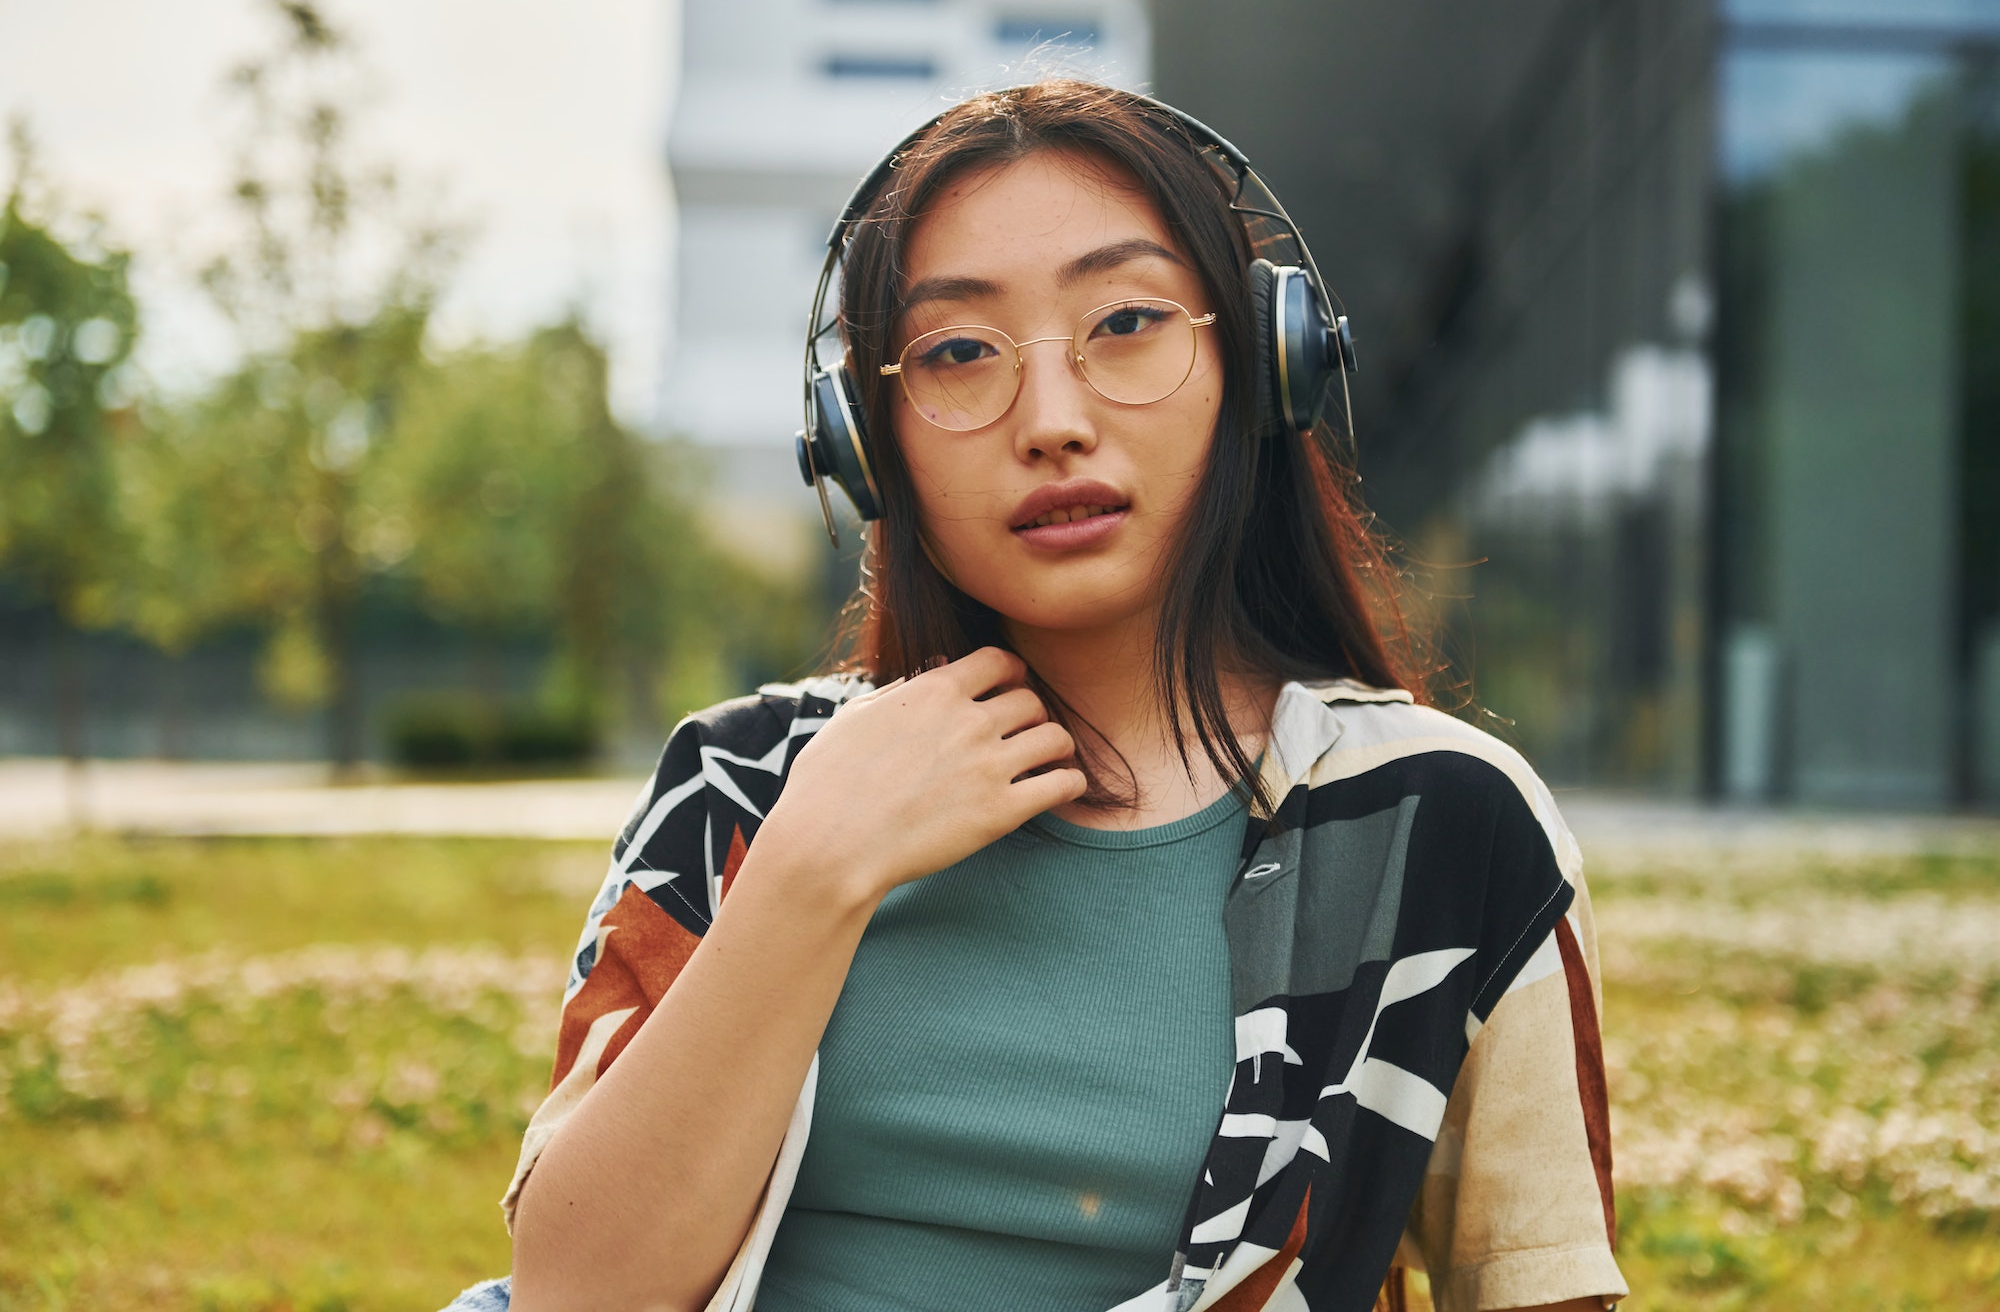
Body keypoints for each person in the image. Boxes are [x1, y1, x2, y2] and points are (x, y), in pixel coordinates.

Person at [494, 80, 1627, 1312]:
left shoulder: (1436, 824)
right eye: (957, 353)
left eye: (1126, 321)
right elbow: (569, 1292)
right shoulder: (744, 781)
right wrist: (811, 870)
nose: (1051, 421)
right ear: (867, 441)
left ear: (1261, 365)